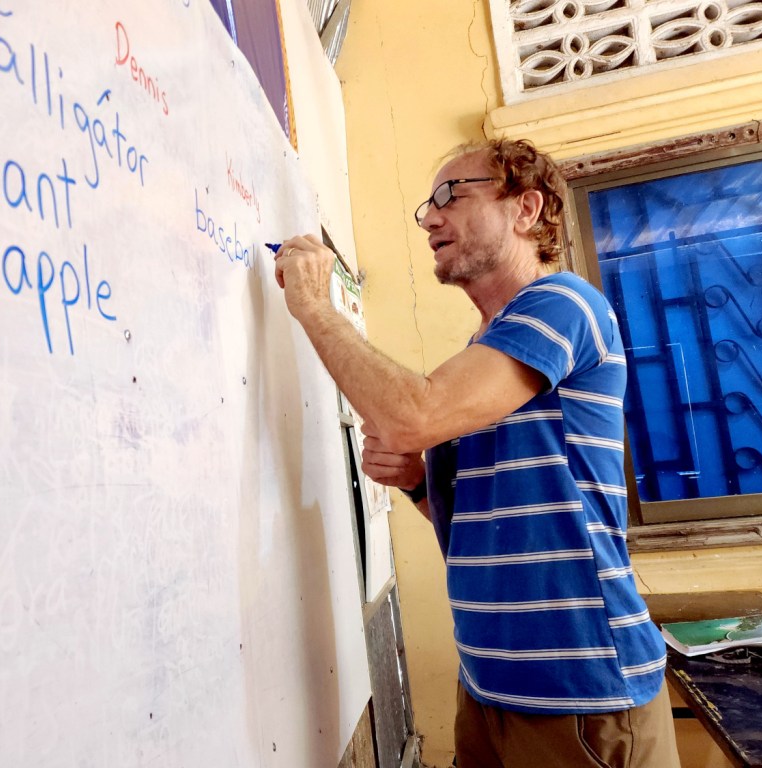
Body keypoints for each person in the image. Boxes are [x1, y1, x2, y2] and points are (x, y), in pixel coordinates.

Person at [272, 138, 680, 768]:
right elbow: (472, 529)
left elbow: (414, 414)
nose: (431, 218)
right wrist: (413, 482)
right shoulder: (482, 352)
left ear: (525, 209)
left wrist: (312, 307)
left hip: (580, 696)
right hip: (488, 684)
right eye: (426, 206)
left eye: (450, 196)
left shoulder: (563, 304)